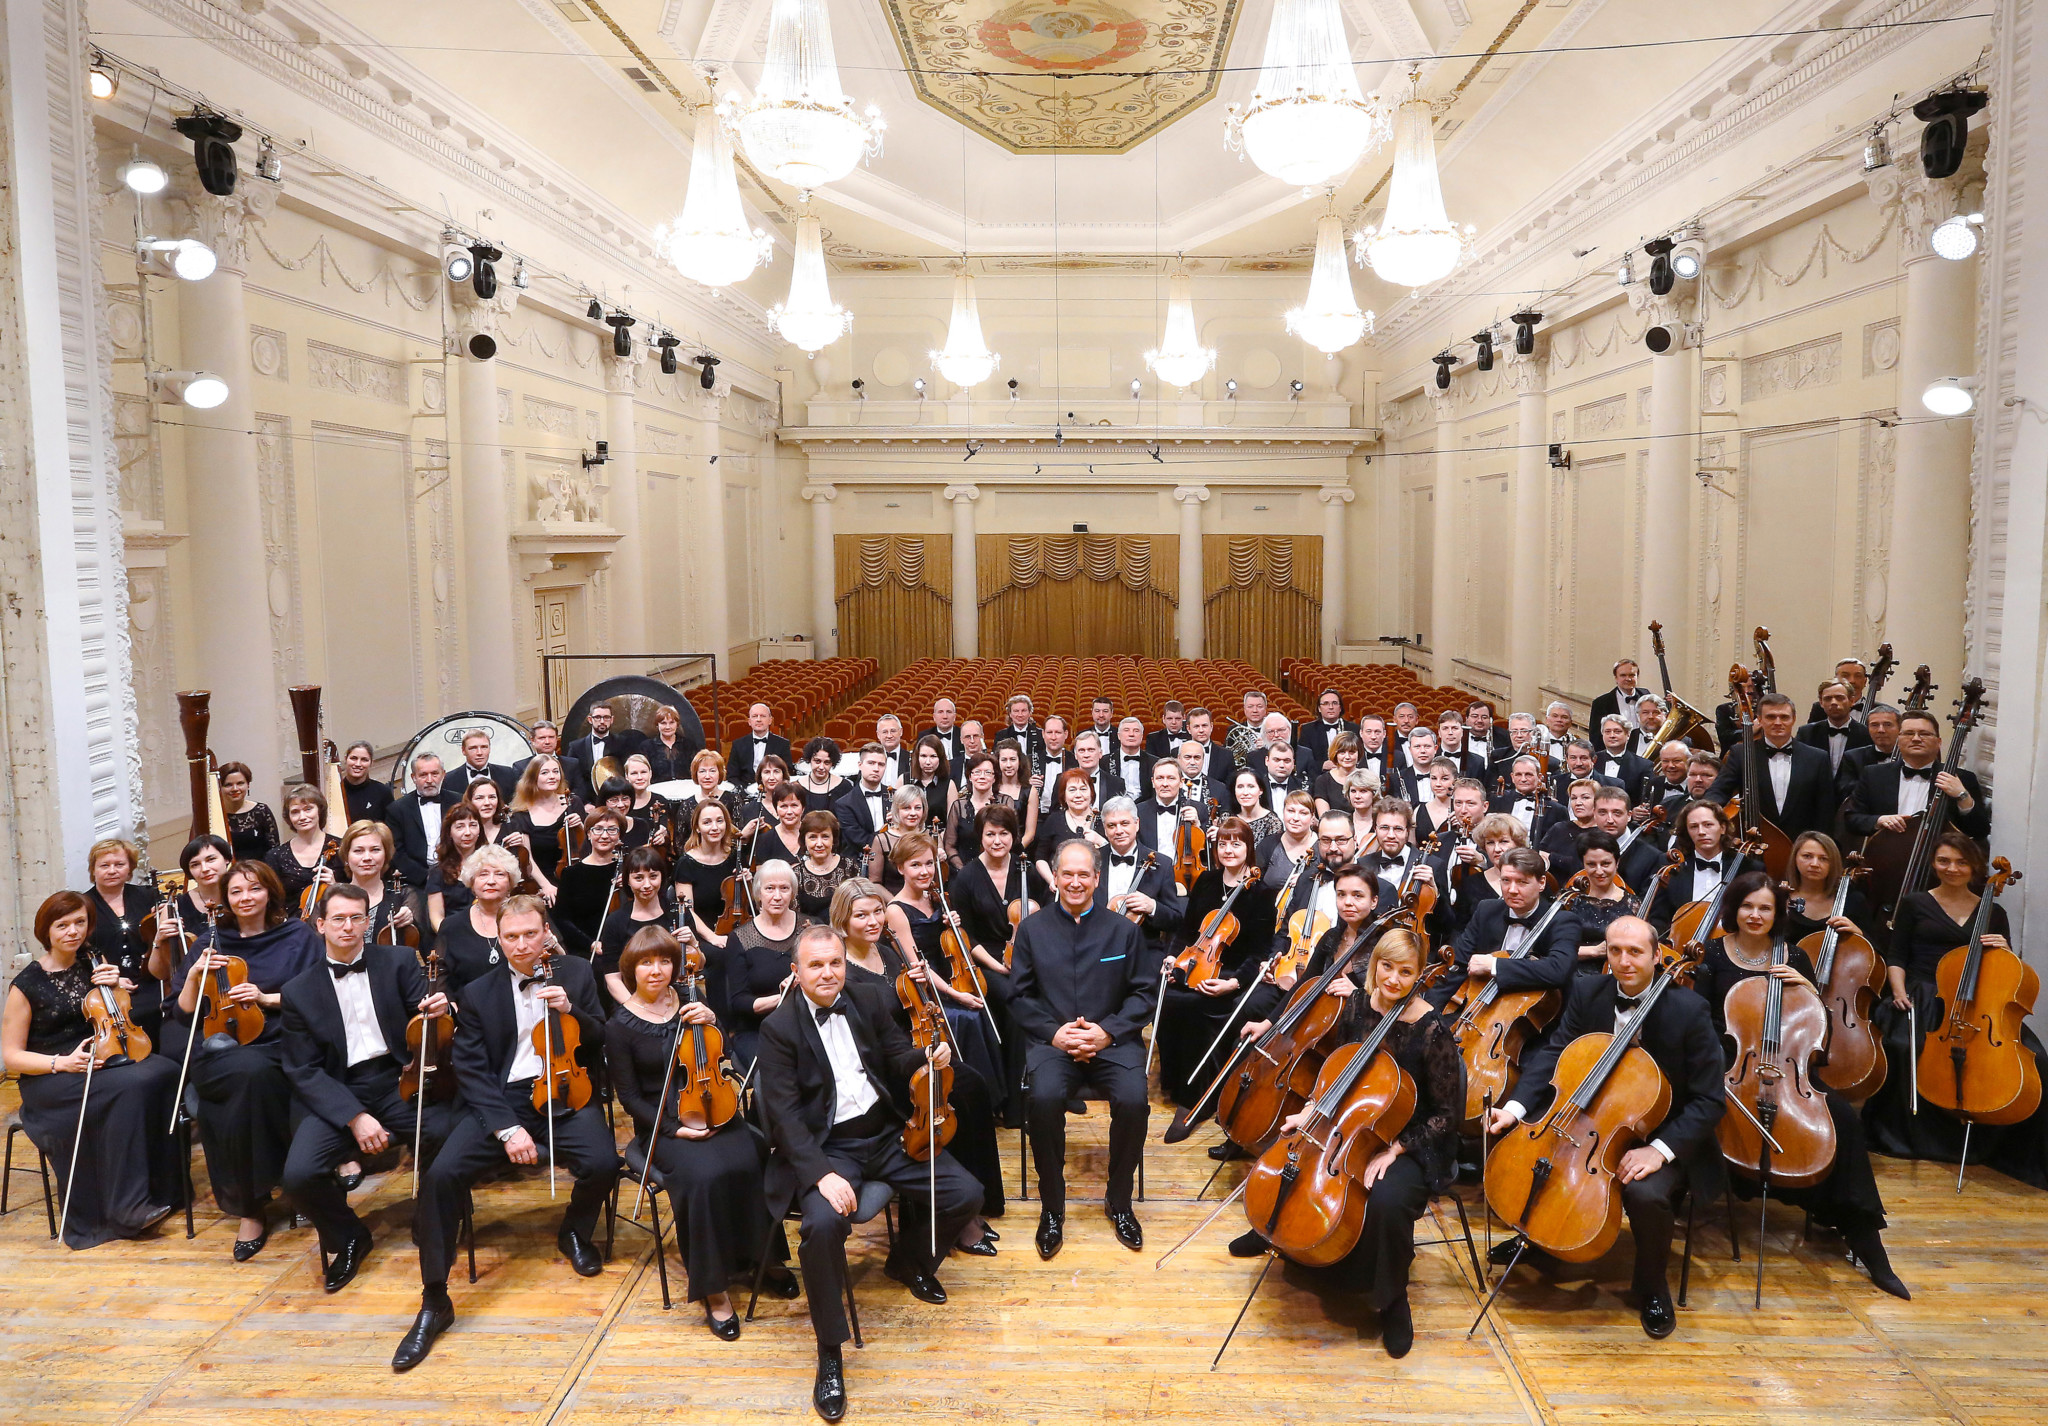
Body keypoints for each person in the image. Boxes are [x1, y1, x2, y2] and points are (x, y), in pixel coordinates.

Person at [754, 924, 984, 1423]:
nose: (828, 973)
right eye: (815, 965)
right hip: (828, 1147)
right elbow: (784, 1117)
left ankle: (906, 1260)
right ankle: (830, 1352)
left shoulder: (869, 996)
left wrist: (925, 1056)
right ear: (796, 972)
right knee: (820, 1225)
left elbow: (894, 1055)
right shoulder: (778, 1029)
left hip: (884, 1132)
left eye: (834, 962)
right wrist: (819, 1174)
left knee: (966, 1193)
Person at [395, 895, 621, 1372]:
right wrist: (507, 1128)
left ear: (545, 934)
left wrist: (573, 1012)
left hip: (566, 1089)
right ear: (499, 940)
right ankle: (435, 1299)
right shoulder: (477, 993)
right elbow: (473, 1070)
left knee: (604, 1162)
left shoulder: (577, 974)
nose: (521, 945)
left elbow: (603, 1037)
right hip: (504, 1100)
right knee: (439, 1177)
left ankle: (574, 1232)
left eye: (530, 934)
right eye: (511, 937)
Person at [1484, 917, 1726, 1340]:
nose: (1624, 961)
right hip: (1586, 1118)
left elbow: (1709, 1101)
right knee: (1544, 1159)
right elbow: (1557, 1052)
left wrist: (1660, 1151)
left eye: (1635, 952)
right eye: (1615, 951)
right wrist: (1516, 1107)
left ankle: (1650, 1284)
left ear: (1656, 955)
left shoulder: (1689, 1010)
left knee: (1645, 1193)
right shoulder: (1588, 990)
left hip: (1658, 1132)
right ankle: (1539, 1240)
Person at [1239, 925, 1456, 1358]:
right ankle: (1275, 1229)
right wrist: (1308, 1112)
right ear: (1373, 966)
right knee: (1287, 1157)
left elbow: (1445, 1115)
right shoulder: (1356, 1005)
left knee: (1387, 1201)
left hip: (1408, 1137)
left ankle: (1394, 1300)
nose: (1393, 980)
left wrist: (1395, 1150)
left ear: (1419, 976)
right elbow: (1333, 1074)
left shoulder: (1433, 1031)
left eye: (1405, 972)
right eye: (1386, 968)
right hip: (1345, 1124)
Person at [1689, 871, 1908, 1297]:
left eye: (1765, 908)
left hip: (1789, 1067)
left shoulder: (1794, 956)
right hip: (1730, 1066)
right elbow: (1698, 1021)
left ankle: (1866, 1238)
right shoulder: (1713, 955)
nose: (1755, 914)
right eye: (1747, 906)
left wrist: (1810, 991)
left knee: (1842, 1119)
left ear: (1777, 913)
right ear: (1734, 909)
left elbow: (1817, 1033)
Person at [605, 927, 789, 1338]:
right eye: (646, 963)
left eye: (665, 961)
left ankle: (762, 1257)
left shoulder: (691, 1000)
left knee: (757, 1153)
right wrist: (673, 1128)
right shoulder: (620, 1026)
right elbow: (630, 1097)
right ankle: (714, 1288)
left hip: (712, 1102)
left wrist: (715, 1021)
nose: (657, 971)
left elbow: (720, 1049)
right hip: (662, 1124)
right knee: (703, 1177)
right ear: (631, 969)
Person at [278, 883, 451, 1293]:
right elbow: (302, 1070)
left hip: (398, 1079)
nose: (349, 927)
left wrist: (440, 1008)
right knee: (299, 1176)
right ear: (320, 924)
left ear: (367, 922)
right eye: (338, 918)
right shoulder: (298, 991)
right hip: (339, 1090)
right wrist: (354, 1117)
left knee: (445, 1132)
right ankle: (350, 1236)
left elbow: (422, 1018)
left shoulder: (398, 961)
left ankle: (434, 1216)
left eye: (358, 917)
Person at [2, 892, 182, 1249]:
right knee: (130, 1087)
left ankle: (167, 1188)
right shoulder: (26, 986)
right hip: (51, 1078)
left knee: (163, 1070)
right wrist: (62, 1063)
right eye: (62, 925)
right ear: (46, 930)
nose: (73, 931)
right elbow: (11, 1058)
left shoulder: (92, 962)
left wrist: (116, 983)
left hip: (98, 1061)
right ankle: (125, 1208)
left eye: (80, 923)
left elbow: (114, 1007)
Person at [1867, 832, 2048, 1186]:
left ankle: (2004, 1144)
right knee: (1905, 1048)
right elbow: (1898, 956)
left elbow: (2005, 967)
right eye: (1944, 861)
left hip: (1978, 1002)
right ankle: (1911, 1139)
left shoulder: (1993, 911)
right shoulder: (1915, 903)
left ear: (1976, 867)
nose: (1952, 868)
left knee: (2037, 1059)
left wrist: (2005, 948)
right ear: (1933, 864)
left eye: (1961, 862)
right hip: (1922, 993)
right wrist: (1899, 992)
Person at [1010, 838, 1155, 1260]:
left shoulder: (1124, 930)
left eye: (1083, 874)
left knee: (1133, 1101)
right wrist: (1055, 1034)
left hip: (1113, 1041)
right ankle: (1052, 1207)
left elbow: (1143, 995)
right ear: (1054, 879)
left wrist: (1107, 1033)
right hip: (1053, 1042)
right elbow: (1020, 997)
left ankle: (1119, 1200)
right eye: (1067, 874)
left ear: (1097, 879)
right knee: (1043, 1099)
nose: (1075, 881)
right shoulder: (1032, 930)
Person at [171, 860, 321, 1259]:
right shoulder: (210, 942)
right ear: (225, 899)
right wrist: (192, 977)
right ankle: (257, 1203)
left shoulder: (298, 937)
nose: (245, 898)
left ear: (269, 892)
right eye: (235, 892)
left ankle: (257, 1201)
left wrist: (265, 998)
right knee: (244, 1075)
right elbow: (183, 1014)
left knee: (253, 1082)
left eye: (253, 889)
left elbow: (321, 996)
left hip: (282, 1041)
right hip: (221, 1049)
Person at [1159, 817, 1278, 1107]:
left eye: (1236, 844)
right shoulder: (1207, 881)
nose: (1228, 850)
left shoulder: (1260, 893)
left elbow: (1260, 952)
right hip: (1196, 960)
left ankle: (1196, 1095)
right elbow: (1187, 930)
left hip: (1231, 971)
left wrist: (1234, 982)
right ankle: (1172, 1083)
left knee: (1197, 1004)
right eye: (1223, 843)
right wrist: (1173, 956)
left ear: (1248, 848)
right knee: (1167, 997)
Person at [1432, 846, 1580, 1012]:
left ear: (1541, 883)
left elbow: (1558, 969)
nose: (1512, 890)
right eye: (1506, 880)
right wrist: (1428, 1013)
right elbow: (1457, 966)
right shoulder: (1487, 910)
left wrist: (1494, 965)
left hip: (1533, 1016)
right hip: (1479, 1006)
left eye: (1522, 882)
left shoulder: (1562, 920)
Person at [1843, 707, 1991, 843]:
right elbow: (1851, 819)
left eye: (1924, 734)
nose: (1915, 739)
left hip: (1937, 864)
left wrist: (1962, 796)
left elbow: (1980, 830)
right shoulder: (1873, 774)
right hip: (1884, 858)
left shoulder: (1962, 778)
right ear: (1898, 740)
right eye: (1908, 733)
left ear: (1938, 742)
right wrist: (1879, 820)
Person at [1707, 692, 1837, 842]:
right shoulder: (1741, 753)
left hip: (1801, 844)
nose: (1777, 722)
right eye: (1770, 717)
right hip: (1755, 841)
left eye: (1784, 717)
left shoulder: (1817, 758)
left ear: (1793, 719)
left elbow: (1825, 811)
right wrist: (1704, 811)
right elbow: (1720, 790)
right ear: (1760, 720)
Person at [83, 837, 167, 1042]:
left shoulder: (149, 896)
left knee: (170, 1009)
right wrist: (112, 980)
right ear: (93, 870)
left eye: (119, 864)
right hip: (108, 986)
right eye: (104, 865)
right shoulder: (83, 905)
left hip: (152, 978)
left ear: (129, 868)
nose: (112, 870)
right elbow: (82, 951)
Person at [726, 860, 806, 1070]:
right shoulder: (740, 938)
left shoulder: (809, 928)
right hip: (756, 1030)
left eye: (784, 888)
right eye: (769, 888)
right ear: (758, 893)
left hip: (805, 1024)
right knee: (777, 1069)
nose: (777, 896)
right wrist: (782, 998)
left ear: (793, 893)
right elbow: (738, 1002)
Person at [1093, 797, 1185, 978]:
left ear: (1137, 824)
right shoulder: (1092, 860)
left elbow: (1175, 919)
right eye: (1111, 826)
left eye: (1125, 823)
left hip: (1143, 950)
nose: (1118, 831)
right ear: (1104, 829)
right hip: (1097, 948)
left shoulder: (1162, 863)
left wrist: (1152, 907)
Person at [1644, 799, 1750, 937]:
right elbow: (1659, 916)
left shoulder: (1746, 867)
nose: (1701, 832)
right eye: (1694, 827)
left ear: (1722, 828)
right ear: (1687, 832)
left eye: (1708, 825)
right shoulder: (1671, 865)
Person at [596, 845, 677, 1002]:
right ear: (628, 881)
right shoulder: (615, 921)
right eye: (639, 878)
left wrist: (693, 943)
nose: (647, 885)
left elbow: (698, 962)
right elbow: (612, 978)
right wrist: (638, 1009)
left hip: (674, 994)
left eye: (653, 876)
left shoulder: (677, 912)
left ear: (662, 877)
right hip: (631, 997)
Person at [434, 845, 521, 988]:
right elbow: (440, 978)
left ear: (510, 882)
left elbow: (557, 959)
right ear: (472, 882)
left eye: (500, 874)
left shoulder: (527, 918)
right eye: (483, 874)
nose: (491, 881)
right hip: (466, 1007)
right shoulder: (451, 926)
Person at [505, 754, 583, 903]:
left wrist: (581, 826)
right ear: (533, 778)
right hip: (541, 882)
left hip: (575, 877)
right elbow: (528, 859)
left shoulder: (573, 803)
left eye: (556, 771)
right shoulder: (522, 814)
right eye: (545, 772)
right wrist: (547, 886)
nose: (552, 776)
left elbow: (586, 846)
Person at [336, 820, 420, 948]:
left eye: (375, 850)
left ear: (385, 855)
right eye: (358, 851)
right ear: (346, 856)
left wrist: (411, 916)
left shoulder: (403, 895)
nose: (367, 857)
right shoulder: (332, 898)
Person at [554, 810, 626, 960]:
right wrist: (591, 944)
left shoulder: (628, 871)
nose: (605, 835)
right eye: (598, 829)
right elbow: (562, 920)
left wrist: (630, 886)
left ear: (619, 835)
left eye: (612, 830)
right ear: (588, 834)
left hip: (625, 947)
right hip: (587, 951)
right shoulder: (571, 873)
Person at [1568, 830, 1641, 962]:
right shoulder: (1570, 901)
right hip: (1573, 975)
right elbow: (1554, 951)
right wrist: (1593, 951)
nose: (1599, 871)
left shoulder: (1633, 904)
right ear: (1583, 864)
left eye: (1605, 864)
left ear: (1617, 863)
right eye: (1591, 864)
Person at [1032, 767, 1107, 883]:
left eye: (1083, 789)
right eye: (1072, 790)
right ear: (1064, 796)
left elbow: (1113, 857)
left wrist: (1100, 841)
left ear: (1091, 793)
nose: (1078, 795)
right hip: (1059, 887)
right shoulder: (1054, 819)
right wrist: (1053, 881)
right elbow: (1040, 858)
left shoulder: (1105, 820)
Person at [390, 754, 453, 889]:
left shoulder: (458, 802)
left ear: (443, 775)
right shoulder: (397, 809)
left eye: (435, 774)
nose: (429, 780)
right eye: (423, 775)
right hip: (416, 882)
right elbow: (396, 851)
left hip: (455, 875)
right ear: (413, 778)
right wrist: (425, 877)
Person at [569, 703, 650, 808]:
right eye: (597, 717)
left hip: (618, 804)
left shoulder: (624, 743)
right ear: (590, 719)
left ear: (612, 720)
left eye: (606, 717)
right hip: (588, 805)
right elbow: (573, 779)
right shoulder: (576, 747)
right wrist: (583, 804)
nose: (602, 721)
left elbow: (628, 774)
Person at [425, 802, 484, 933]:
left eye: (473, 825)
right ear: (449, 832)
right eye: (460, 827)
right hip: (451, 934)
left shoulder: (491, 864)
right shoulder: (437, 872)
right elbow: (436, 917)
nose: (468, 832)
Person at [1797, 681, 1875, 776]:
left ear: (1852, 701)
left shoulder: (1867, 734)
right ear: (1821, 703)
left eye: (1839, 698)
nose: (1833, 702)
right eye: (1828, 699)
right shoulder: (1806, 733)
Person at [868, 786, 932, 894]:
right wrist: (897, 904)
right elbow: (875, 883)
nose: (913, 813)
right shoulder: (881, 840)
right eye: (906, 808)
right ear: (897, 810)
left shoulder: (931, 836)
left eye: (917, 808)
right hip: (893, 901)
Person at [513, 721, 590, 809]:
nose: (547, 741)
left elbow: (580, 791)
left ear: (556, 738)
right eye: (542, 738)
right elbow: (521, 795)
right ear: (532, 740)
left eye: (551, 737)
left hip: (568, 809)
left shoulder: (572, 763)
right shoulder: (520, 767)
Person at [795, 811, 856, 921]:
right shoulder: (797, 874)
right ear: (804, 840)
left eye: (825, 837)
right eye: (813, 837)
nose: (819, 844)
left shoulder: (850, 867)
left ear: (834, 839)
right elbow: (795, 917)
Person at [832, 743, 893, 854]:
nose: (876, 769)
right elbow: (858, 839)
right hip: (860, 861)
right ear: (860, 765)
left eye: (881, 764)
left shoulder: (896, 796)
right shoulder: (844, 804)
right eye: (871, 763)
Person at [218, 762, 281, 862]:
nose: (235, 789)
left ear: (248, 785)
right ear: (219, 787)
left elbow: (274, 850)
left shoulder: (262, 811)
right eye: (228, 785)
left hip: (259, 872)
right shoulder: (215, 815)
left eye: (240, 783)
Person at [726, 703, 792, 792]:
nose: (758, 719)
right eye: (754, 716)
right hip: (745, 793)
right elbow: (732, 775)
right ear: (749, 721)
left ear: (770, 720)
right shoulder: (738, 744)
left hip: (774, 792)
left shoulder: (783, 744)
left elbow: (787, 773)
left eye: (763, 716)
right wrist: (743, 792)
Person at [444, 728, 517, 804]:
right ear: (463, 750)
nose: (479, 752)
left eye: (484, 747)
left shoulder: (508, 774)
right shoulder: (449, 780)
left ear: (490, 748)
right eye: (473, 748)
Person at [339, 741, 396, 827]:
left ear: (371, 763)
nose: (358, 764)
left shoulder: (382, 792)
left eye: (364, 760)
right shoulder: (334, 791)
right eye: (353, 758)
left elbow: (391, 828)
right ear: (345, 759)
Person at [643, 704, 703, 785]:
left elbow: (697, 769)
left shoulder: (688, 745)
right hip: (657, 790)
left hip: (686, 789)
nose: (668, 727)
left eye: (671, 722)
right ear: (657, 725)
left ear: (677, 724)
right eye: (663, 723)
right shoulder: (647, 746)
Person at [1299, 689, 1358, 770]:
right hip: (1319, 776)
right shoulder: (1308, 730)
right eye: (1326, 703)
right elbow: (1303, 759)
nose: (1331, 707)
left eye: (1335, 703)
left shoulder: (1354, 729)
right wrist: (1321, 765)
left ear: (1340, 708)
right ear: (1319, 708)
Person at [1589, 658, 1646, 738]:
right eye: (1623, 675)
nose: (1628, 679)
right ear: (1616, 678)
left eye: (1632, 675)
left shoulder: (1645, 695)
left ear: (1637, 677)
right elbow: (1596, 737)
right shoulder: (1601, 703)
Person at [906, 737, 953, 827]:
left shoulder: (949, 784)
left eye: (933, 756)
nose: (928, 762)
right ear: (917, 757)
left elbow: (952, 823)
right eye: (923, 756)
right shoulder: (904, 780)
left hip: (938, 837)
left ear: (940, 758)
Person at [795, 738, 848, 813]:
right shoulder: (796, 787)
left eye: (827, 762)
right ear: (809, 760)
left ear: (832, 763)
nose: (821, 767)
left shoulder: (844, 787)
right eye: (817, 761)